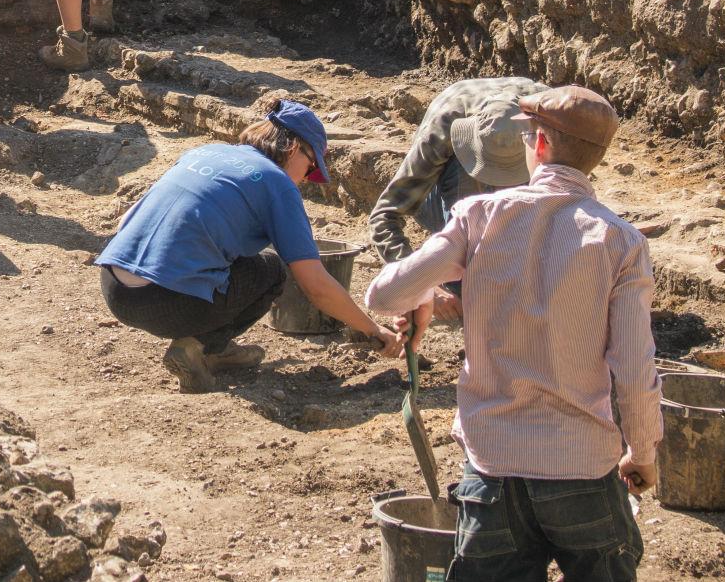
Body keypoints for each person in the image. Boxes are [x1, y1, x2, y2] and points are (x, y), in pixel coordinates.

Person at [365, 85, 658, 582]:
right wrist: (643, 452)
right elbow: (634, 369)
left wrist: (425, 294)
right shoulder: (622, 242)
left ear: (538, 144)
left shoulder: (478, 217)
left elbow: (382, 297)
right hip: (583, 468)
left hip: (493, 471)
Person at [97, 100, 403, 393]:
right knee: (272, 269)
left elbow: (127, 221)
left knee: (236, 257)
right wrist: (373, 330)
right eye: (310, 168)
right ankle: (201, 345)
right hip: (166, 304)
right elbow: (316, 286)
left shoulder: (204, 152)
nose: (307, 180)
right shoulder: (277, 184)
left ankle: (216, 349)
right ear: (295, 148)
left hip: (114, 288)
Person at [369, 77, 544, 324]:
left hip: (536, 155)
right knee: (467, 207)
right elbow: (385, 215)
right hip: (441, 188)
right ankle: (461, 278)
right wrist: (421, 287)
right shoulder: (443, 130)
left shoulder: (555, 118)